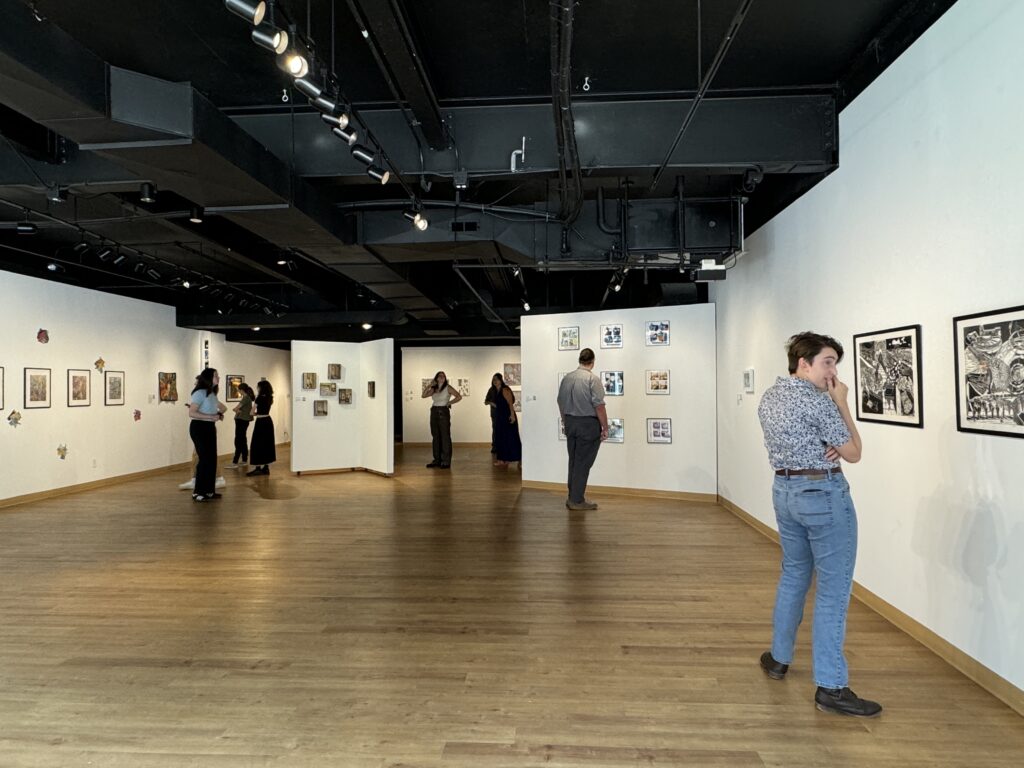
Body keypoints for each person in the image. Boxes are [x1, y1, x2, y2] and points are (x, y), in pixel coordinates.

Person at [756, 331, 881, 718]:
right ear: (803, 363)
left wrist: (826, 434)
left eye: (835, 363)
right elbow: (855, 453)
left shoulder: (770, 397)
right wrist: (841, 404)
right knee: (833, 589)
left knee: (794, 574)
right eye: (828, 362)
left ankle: (779, 658)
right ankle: (832, 685)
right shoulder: (818, 401)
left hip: (785, 491)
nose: (834, 372)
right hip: (823, 493)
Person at [556, 348, 608, 510]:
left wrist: (565, 421)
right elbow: (599, 405)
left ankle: (573, 495)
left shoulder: (567, 378)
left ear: (579, 360)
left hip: (571, 423)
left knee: (574, 460)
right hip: (588, 425)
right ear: (592, 362)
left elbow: (560, 402)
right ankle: (576, 500)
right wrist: (605, 427)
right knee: (583, 463)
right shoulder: (592, 379)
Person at [188, 368, 226, 502]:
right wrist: (211, 416)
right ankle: (197, 492)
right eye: (216, 375)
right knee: (204, 459)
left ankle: (209, 491)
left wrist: (218, 415)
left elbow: (220, 409)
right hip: (199, 428)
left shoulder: (212, 394)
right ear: (209, 378)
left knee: (212, 459)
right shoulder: (199, 393)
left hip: (209, 428)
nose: (219, 377)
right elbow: (192, 413)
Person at [422, 371, 462, 469]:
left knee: (445, 436)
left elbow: (459, 396)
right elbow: (423, 395)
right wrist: (429, 386)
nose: (441, 377)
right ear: (436, 378)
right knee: (435, 436)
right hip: (434, 411)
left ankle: (446, 461)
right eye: (439, 376)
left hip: (443, 411)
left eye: (443, 376)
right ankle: (437, 460)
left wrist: (449, 402)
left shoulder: (448, 387)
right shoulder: (434, 389)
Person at [488, 372, 522, 467]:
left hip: (507, 416)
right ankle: (503, 459)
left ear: (500, 380)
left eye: (497, 379)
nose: (495, 381)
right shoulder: (496, 391)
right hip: (500, 417)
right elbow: (500, 405)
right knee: (501, 438)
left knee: (512, 438)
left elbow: (510, 403)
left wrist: (512, 415)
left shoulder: (505, 389)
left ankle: (520, 459)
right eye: (493, 379)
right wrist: (491, 403)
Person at [247, 380, 276, 476]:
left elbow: (251, 412)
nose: (257, 388)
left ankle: (258, 467)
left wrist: (256, 413)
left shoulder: (259, 398)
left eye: (258, 387)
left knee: (257, 444)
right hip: (268, 421)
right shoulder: (270, 398)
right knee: (267, 444)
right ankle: (266, 467)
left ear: (261, 388)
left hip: (260, 422)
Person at [227, 382, 255, 469]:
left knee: (239, 440)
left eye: (238, 390)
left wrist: (236, 410)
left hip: (242, 421)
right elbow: (237, 409)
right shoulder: (247, 398)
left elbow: (236, 408)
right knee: (242, 440)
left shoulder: (246, 398)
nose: (238, 391)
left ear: (242, 390)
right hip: (242, 420)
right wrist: (237, 410)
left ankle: (235, 462)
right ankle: (244, 460)